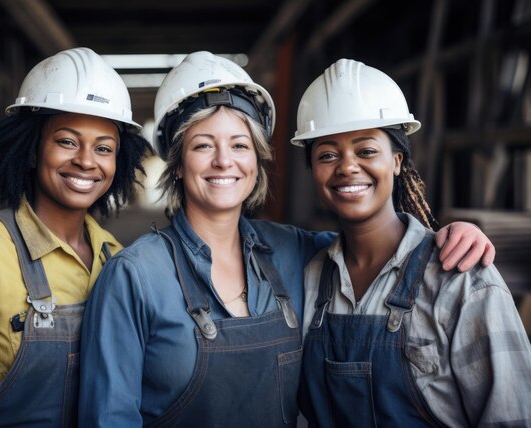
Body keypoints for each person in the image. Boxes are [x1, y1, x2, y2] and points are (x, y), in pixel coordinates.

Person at [78, 51, 496, 427]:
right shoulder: (133, 276)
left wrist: (448, 234)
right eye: (203, 145)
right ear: (177, 163)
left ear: (256, 161)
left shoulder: (295, 252)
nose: (224, 161)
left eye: (239, 145)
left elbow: (377, 249)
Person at [0, 47, 150, 427]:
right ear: (32, 149)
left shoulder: (115, 258)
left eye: (104, 148)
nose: (87, 160)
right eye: (67, 141)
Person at [295, 58, 531, 427]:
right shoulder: (311, 277)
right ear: (313, 171)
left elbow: (512, 416)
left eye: (367, 150)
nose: (347, 166)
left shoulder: (461, 277)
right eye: (327, 154)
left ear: (398, 161)